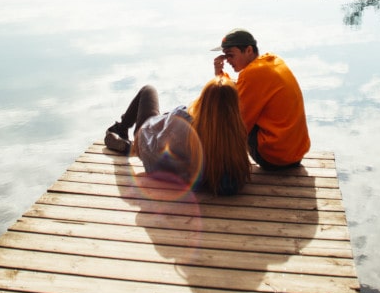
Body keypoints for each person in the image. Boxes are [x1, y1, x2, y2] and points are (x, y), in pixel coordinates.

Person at [104, 77, 250, 196]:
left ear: (204, 101)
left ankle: (121, 130)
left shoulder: (185, 121)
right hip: (178, 170)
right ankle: (128, 143)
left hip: (153, 157)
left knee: (148, 90)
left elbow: (160, 141)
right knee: (169, 120)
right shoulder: (236, 135)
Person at [212, 28, 310, 171]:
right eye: (225, 56)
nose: (227, 61)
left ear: (249, 50)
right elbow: (241, 89)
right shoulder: (273, 62)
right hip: (295, 154)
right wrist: (219, 74)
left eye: (230, 55)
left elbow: (239, 123)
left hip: (274, 158)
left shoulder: (252, 74)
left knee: (228, 118)